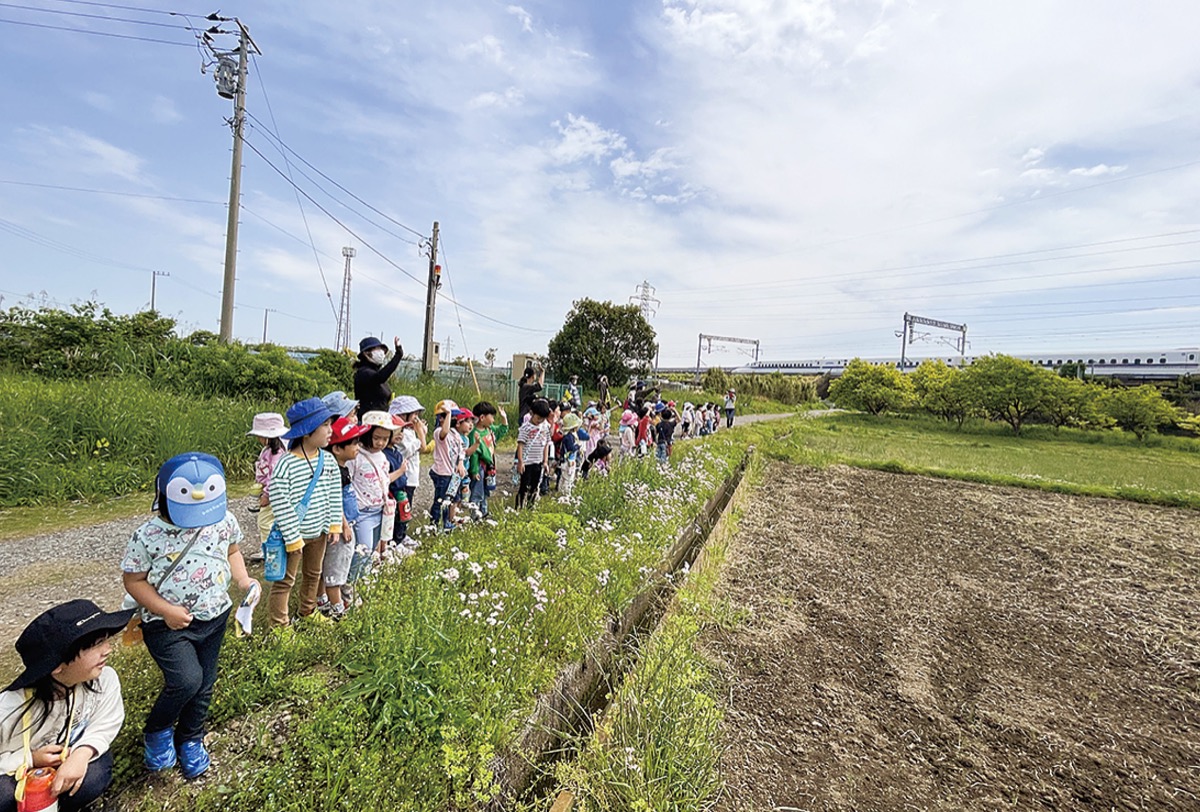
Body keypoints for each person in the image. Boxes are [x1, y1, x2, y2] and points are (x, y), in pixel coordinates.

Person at [122, 453, 257, 778]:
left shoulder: (223, 520)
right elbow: (133, 580)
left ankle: (191, 738)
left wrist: (243, 580)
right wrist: (165, 610)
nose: (198, 519)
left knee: (205, 683)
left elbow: (233, 551)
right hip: (166, 625)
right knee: (186, 679)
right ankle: (157, 730)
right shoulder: (148, 535)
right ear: (164, 497)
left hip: (215, 617)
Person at [0, 600, 132, 811]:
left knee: (94, 775)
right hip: (17, 774)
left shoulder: (104, 679)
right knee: (4, 795)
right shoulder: (9, 708)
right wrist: (29, 759)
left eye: (106, 640)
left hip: (68, 760)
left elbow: (106, 722)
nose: (107, 649)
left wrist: (82, 753)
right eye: (95, 644)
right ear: (57, 667)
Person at [267, 398, 343, 628]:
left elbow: (333, 496)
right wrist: (292, 538)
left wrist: (333, 525)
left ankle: (307, 611)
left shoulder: (328, 460)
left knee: (313, 574)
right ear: (307, 432)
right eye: (326, 425)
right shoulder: (287, 464)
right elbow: (279, 501)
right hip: (294, 537)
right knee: (285, 581)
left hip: (318, 532)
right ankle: (279, 624)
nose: (331, 431)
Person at [318, 417, 369, 620]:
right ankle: (338, 609)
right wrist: (344, 525)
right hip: (339, 528)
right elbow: (334, 501)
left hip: (343, 525)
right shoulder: (334, 473)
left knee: (328, 565)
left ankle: (321, 600)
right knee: (335, 568)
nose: (358, 446)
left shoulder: (341, 468)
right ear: (337, 449)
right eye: (354, 442)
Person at [348, 412, 399, 556]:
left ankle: (366, 575)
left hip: (380, 509)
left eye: (385, 439)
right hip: (362, 512)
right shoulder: (356, 456)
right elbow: (347, 483)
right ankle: (356, 577)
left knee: (373, 550)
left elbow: (384, 480)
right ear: (366, 434)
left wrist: (400, 472)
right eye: (376, 438)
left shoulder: (383, 457)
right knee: (363, 551)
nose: (380, 443)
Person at [389, 396, 428, 549]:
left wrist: (419, 433)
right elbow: (415, 448)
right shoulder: (400, 433)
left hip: (412, 476)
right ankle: (397, 540)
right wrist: (421, 435)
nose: (416, 418)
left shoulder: (410, 432)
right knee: (401, 508)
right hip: (404, 477)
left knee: (406, 508)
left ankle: (402, 535)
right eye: (414, 414)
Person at [246, 413, 287, 559]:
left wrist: (266, 495)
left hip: (274, 495)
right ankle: (273, 548)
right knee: (274, 522)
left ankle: (270, 551)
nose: (258, 439)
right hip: (271, 493)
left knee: (264, 522)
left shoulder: (277, 454)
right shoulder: (269, 451)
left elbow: (274, 477)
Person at [467, 402, 508, 520]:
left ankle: (484, 512)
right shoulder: (474, 434)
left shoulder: (489, 430)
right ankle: (475, 515)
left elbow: (502, 430)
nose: (494, 420)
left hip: (489, 467)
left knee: (486, 490)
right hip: (479, 466)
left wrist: (504, 417)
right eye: (492, 417)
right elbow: (474, 455)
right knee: (477, 491)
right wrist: (474, 471)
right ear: (482, 417)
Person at [352, 336, 404, 417]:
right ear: (366, 353)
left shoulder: (374, 372)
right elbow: (380, 377)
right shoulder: (363, 373)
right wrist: (398, 355)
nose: (381, 352)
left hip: (380, 421)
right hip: (367, 423)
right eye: (377, 349)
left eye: (382, 349)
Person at [516, 398, 552, 509]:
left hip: (538, 461)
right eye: (538, 418)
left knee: (535, 485)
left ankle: (530, 506)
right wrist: (520, 462)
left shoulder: (545, 428)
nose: (540, 421)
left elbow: (546, 444)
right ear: (532, 413)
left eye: (542, 419)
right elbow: (520, 445)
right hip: (527, 462)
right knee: (524, 486)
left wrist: (545, 461)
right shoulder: (525, 428)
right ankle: (520, 506)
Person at [558, 413, 582, 495]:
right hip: (569, 461)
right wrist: (578, 446)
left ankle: (561, 490)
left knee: (564, 476)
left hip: (566, 460)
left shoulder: (567, 436)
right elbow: (571, 448)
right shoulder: (569, 437)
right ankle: (566, 493)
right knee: (568, 477)